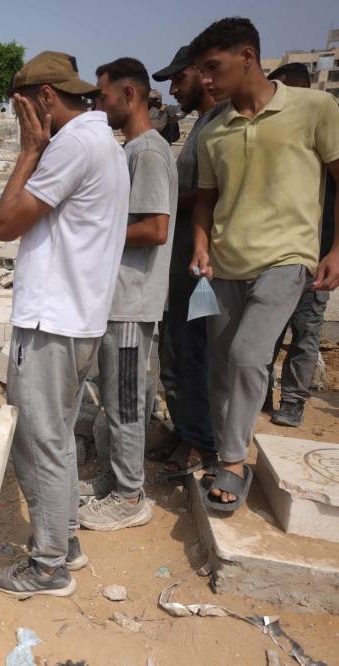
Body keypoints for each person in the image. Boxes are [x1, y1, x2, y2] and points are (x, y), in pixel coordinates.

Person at [0, 51, 129, 596]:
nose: (19, 120)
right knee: (58, 437)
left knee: (38, 440)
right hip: (79, 317)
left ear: (44, 98)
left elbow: (6, 223)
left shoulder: (70, 146)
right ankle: (64, 540)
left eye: (20, 109)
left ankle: (48, 567)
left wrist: (30, 150)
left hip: (52, 319)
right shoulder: (101, 140)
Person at [188, 18, 339, 511]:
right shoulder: (214, 131)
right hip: (224, 265)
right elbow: (206, 200)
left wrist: (336, 250)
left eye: (213, 67)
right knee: (220, 367)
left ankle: (234, 462)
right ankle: (223, 451)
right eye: (201, 70)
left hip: (287, 258)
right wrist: (200, 245)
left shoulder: (315, 108)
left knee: (248, 354)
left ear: (247, 56)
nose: (205, 79)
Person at [77, 58, 177, 531]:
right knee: (116, 399)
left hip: (132, 304)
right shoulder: (132, 150)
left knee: (126, 402)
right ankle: (118, 478)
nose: (98, 106)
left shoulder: (149, 153)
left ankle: (130, 496)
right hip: (117, 300)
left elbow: (156, 229)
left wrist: (96, 230)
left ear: (130, 95)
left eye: (103, 96)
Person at [151, 45, 227, 476]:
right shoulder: (202, 122)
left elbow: (214, 193)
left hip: (202, 267)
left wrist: (161, 203)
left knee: (195, 354)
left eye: (179, 79)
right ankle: (185, 431)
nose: (174, 90)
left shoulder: (223, 122)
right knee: (177, 354)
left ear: (201, 73)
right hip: (181, 264)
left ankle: (202, 443)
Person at [264, 63, 336, 427]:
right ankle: (260, 394)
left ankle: (292, 401)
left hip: (316, 259)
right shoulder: (283, 139)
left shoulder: (326, 133)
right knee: (267, 332)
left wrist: (334, 253)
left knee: (305, 334)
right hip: (275, 256)